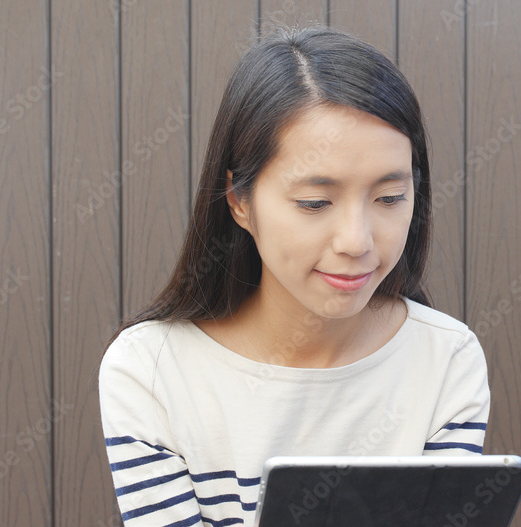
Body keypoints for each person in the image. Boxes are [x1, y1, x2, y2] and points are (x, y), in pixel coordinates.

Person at [98, 25, 490, 526]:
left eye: (390, 198)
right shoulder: (151, 371)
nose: (357, 240)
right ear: (239, 201)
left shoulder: (445, 359)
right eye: (315, 202)